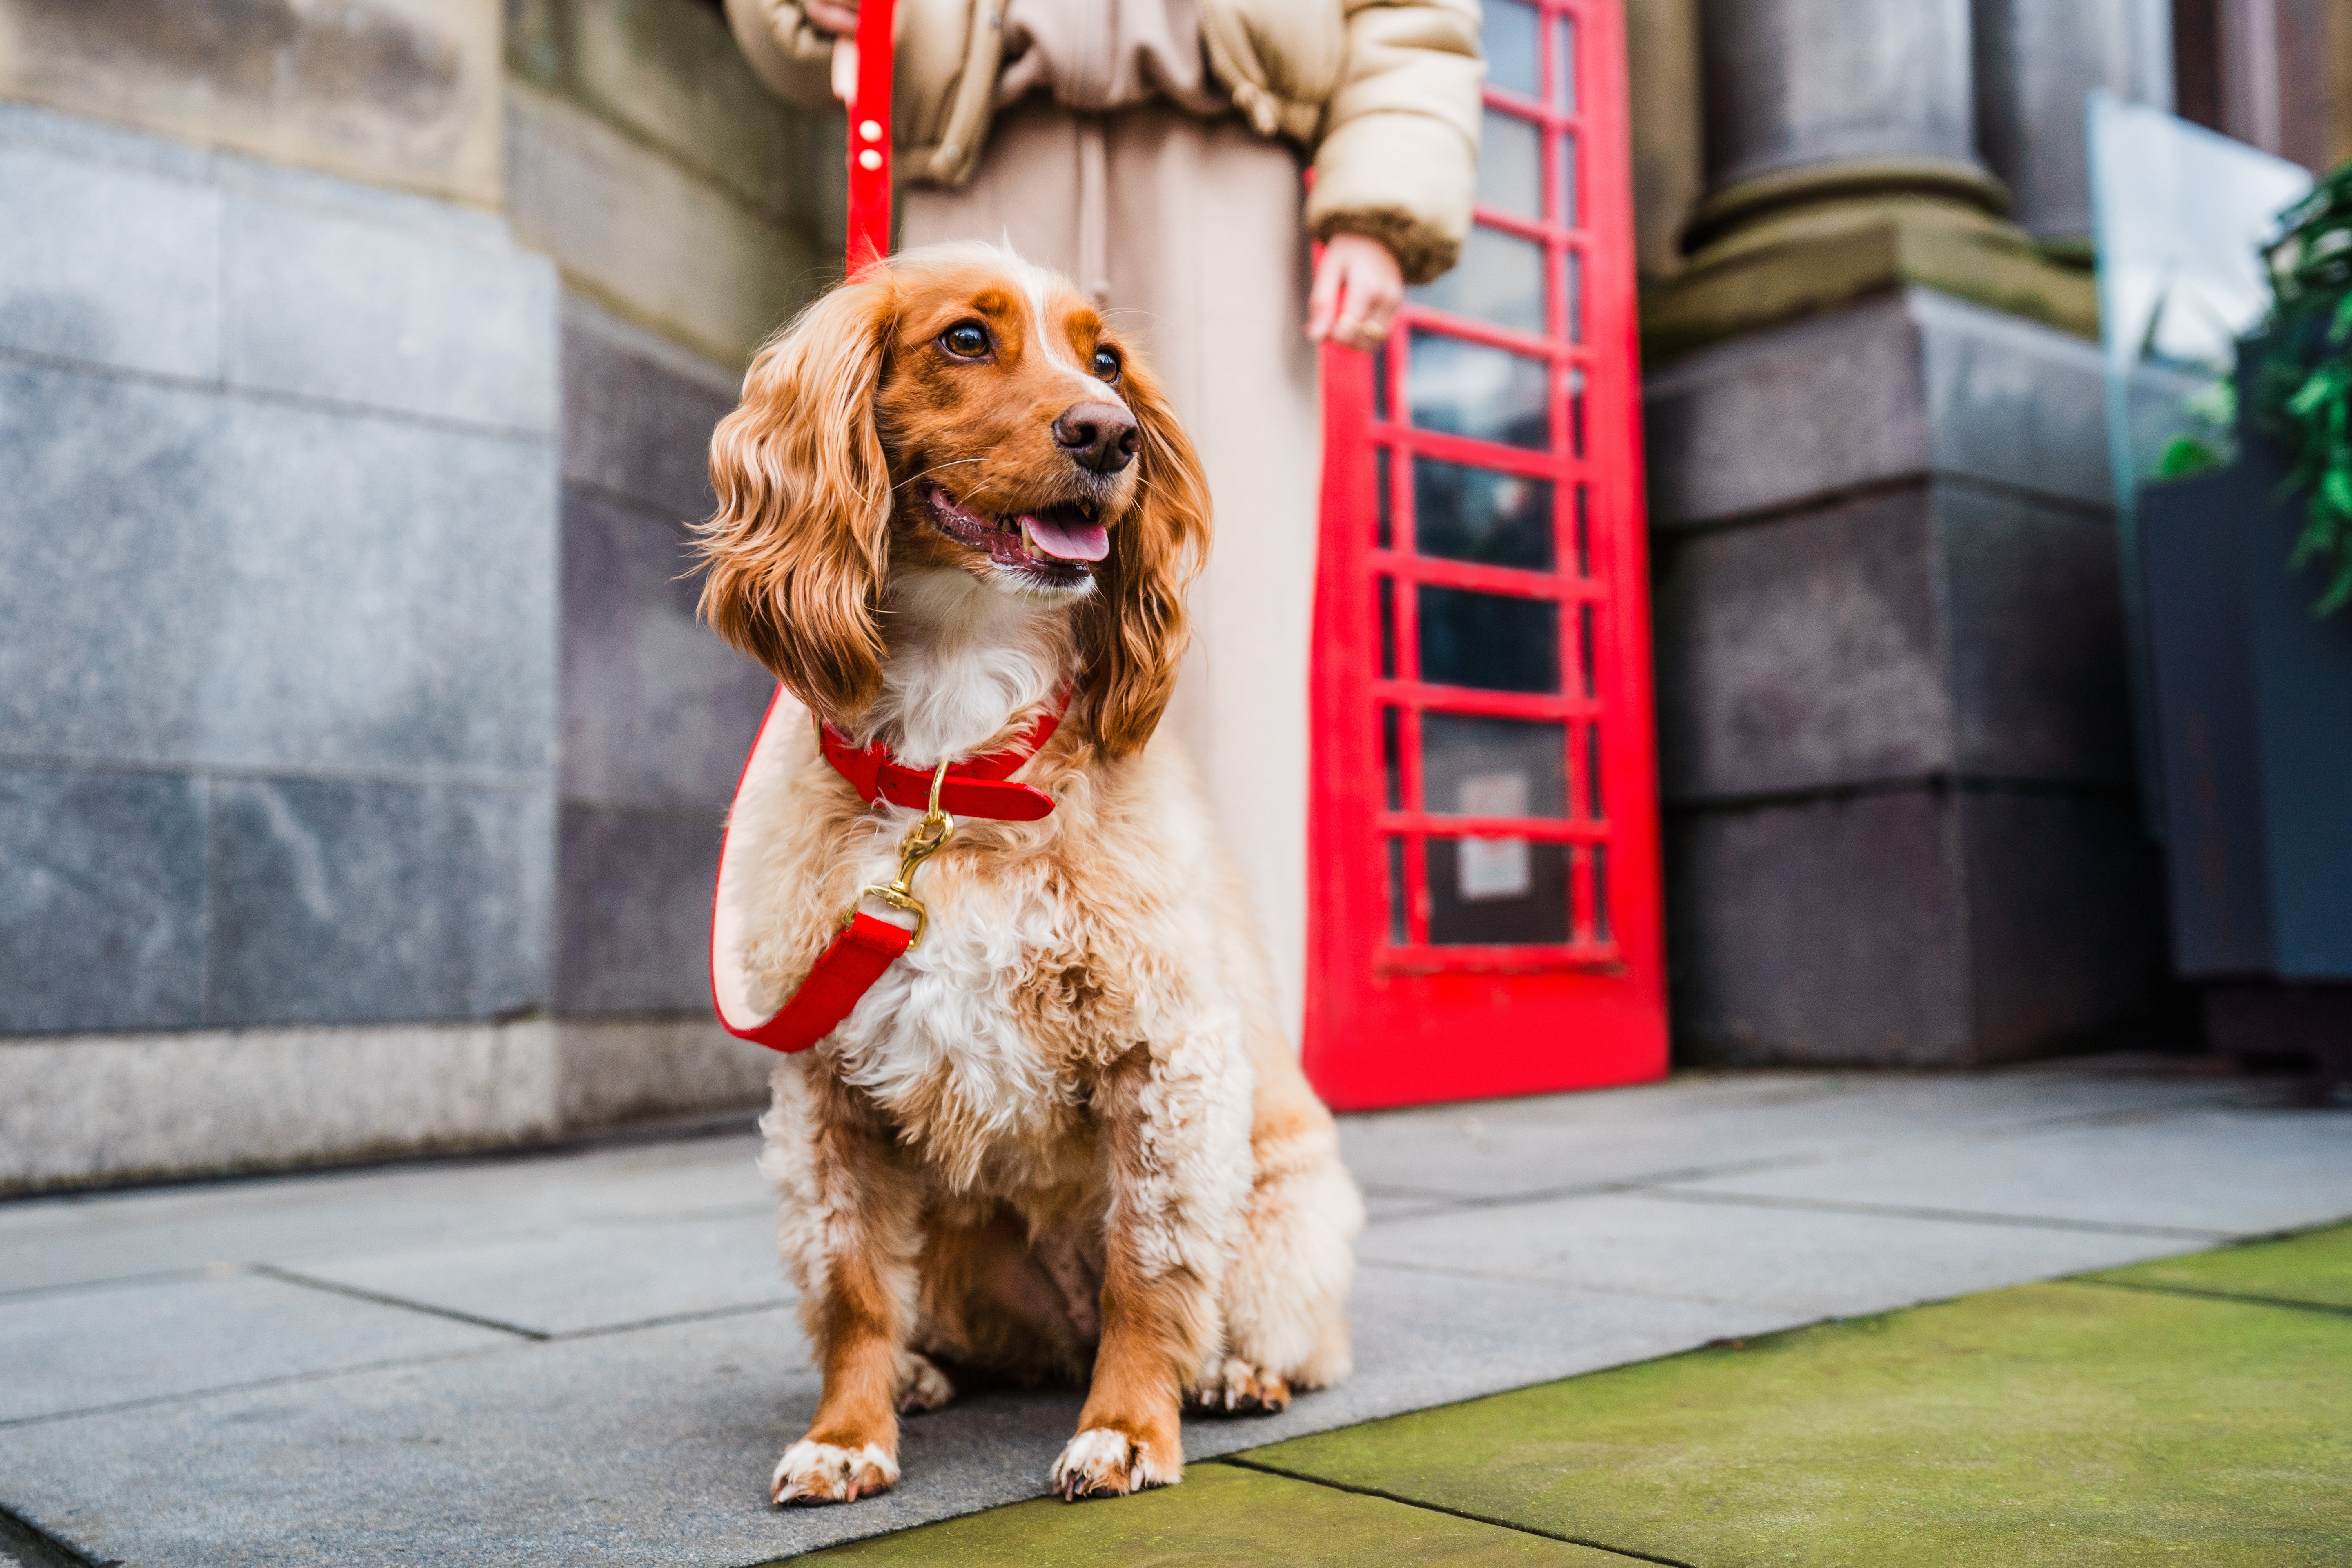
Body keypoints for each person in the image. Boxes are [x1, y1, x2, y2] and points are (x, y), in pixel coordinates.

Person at [724, 0, 1481, 1043]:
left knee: (1211, 661)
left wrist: (1385, 194)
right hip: (975, 129)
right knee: (896, 647)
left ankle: (1219, 1097)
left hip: (1232, 156)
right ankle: (942, 1090)